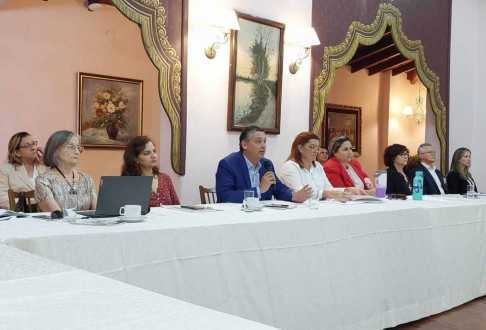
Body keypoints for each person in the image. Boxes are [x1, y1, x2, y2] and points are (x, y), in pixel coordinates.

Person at [216, 126, 310, 203]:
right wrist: (259, 190)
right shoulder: (228, 164)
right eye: (259, 141)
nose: (263, 145)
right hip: (236, 217)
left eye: (265, 141)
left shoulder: (266, 164)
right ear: (244, 145)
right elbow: (225, 196)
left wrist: (294, 196)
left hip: (263, 216)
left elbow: (279, 190)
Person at [280, 132, 357, 201]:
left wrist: (346, 190)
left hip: (319, 207)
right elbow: (301, 193)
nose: (316, 151)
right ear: (300, 148)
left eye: (317, 148)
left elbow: (328, 189)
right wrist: (326, 194)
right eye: (312, 147)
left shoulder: (318, 166)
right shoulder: (290, 167)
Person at [35, 130, 97, 212]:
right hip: (59, 224)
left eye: (78, 148)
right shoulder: (44, 181)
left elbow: (98, 212)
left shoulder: (86, 179)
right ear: (55, 150)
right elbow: (57, 216)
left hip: (87, 224)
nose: (77, 152)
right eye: (71, 147)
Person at [121, 136, 180, 206]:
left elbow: (176, 206)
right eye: (147, 153)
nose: (153, 156)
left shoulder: (165, 178)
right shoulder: (130, 182)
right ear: (136, 159)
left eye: (154, 151)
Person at [0, 132, 47, 209]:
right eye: (27, 146)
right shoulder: (5, 169)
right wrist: (31, 205)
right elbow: (2, 198)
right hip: (21, 215)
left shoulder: (45, 168)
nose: (33, 148)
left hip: (47, 214)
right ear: (16, 152)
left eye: (33, 143)